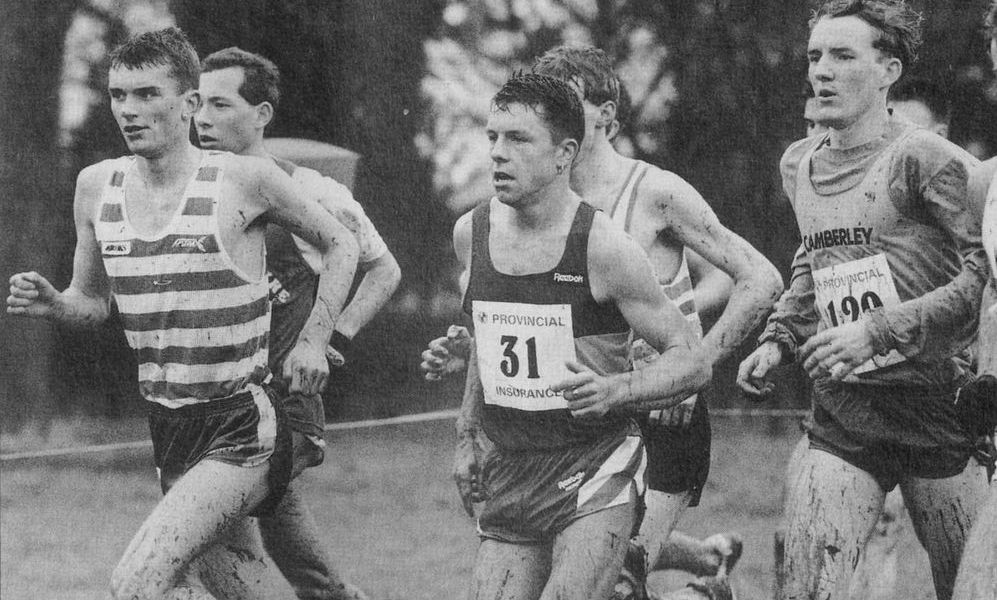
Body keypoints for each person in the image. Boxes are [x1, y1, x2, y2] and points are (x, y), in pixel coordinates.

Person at [6, 28, 360, 599]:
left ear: (189, 103)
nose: (129, 110)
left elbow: (342, 243)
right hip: (170, 429)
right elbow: (93, 304)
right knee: (237, 590)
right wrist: (55, 305)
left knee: (138, 582)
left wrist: (314, 339)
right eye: (119, 95)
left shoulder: (243, 179)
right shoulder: (96, 187)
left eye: (148, 94)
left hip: (242, 426)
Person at [428, 45, 784, 599]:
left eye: (564, 102)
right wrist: (474, 363)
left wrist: (685, 374)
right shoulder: (506, 215)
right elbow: (517, 332)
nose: (502, 149)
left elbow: (759, 278)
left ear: (601, 119)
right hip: (543, 442)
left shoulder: (651, 195)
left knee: (619, 581)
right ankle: (708, 568)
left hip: (656, 420)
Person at [736, 2, 990, 599]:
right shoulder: (799, 162)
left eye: (843, 56)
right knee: (805, 588)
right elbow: (815, 259)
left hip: (938, 405)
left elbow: (985, 274)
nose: (821, 71)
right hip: (847, 406)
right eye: (814, 56)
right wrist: (779, 337)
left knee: (971, 589)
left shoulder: (927, 158)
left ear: (888, 71)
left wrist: (878, 330)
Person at [454, 72, 711, 600]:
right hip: (511, 468)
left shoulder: (603, 246)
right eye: (493, 137)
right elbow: (487, 345)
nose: (498, 153)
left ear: (564, 153)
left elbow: (692, 359)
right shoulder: (471, 234)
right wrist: (466, 436)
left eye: (518, 139)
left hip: (595, 465)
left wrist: (618, 389)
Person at [196, 47, 400, 600]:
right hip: (214, 406)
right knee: (260, 529)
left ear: (261, 114)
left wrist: (331, 337)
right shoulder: (190, 193)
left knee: (209, 524)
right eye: (198, 104)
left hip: (283, 407)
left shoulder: (314, 191)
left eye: (220, 104)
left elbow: (383, 269)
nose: (202, 119)